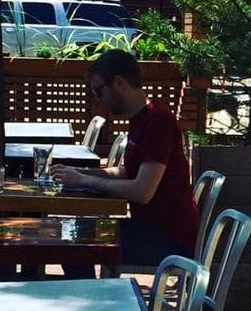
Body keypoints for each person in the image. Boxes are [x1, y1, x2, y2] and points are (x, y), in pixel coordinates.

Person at [51, 49, 199, 270]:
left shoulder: (158, 121)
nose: (98, 100)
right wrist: (81, 173)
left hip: (168, 240)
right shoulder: (143, 117)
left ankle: (88, 292)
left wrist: (85, 181)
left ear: (120, 83)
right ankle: (88, 290)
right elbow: (128, 172)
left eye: (98, 91)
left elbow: (142, 191)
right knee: (70, 233)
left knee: (71, 240)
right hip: (149, 230)